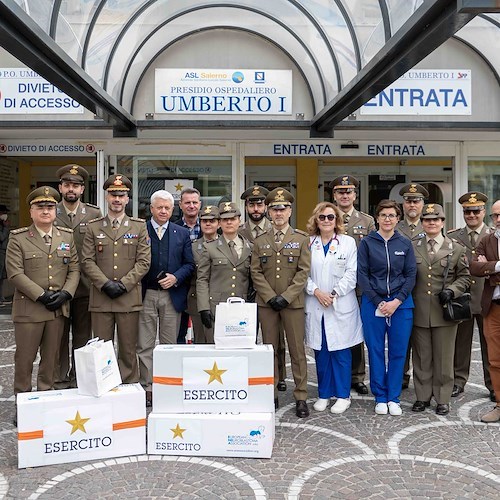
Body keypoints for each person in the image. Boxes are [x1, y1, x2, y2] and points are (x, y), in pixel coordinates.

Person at [6, 186, 79, 399]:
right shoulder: (18, 238)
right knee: (24, 360)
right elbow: (15, 273)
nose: (45, 211)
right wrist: (41, 295)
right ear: (31, 211)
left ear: (55, 211)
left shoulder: (66, 236)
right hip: (30, 310)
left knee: (51, 360)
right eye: (40, 207)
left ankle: (44, 400)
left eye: (49, 207)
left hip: (57, 310)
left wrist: (66, 293)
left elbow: (74, 268)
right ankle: (23, 402)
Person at [81, 174, 150, 384]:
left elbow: (144, 261)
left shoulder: (139, 226)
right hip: (102, 298)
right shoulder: (93, 227)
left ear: (128, 199)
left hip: (128, 298)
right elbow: (87, 260)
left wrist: (123, 284)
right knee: (102, 349)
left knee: (128, 350)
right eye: (113, 195)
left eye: (121, 195)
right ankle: (104, 387)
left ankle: (129, 388)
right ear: (106, 197)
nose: (117, 199)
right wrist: (105, 284)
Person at [251, 187, 311, 417]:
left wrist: (285, 297)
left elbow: (303, 272)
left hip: (292, 304)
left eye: (283, 209)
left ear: (290, 211)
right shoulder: (260, 240)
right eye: (274, 209)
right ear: (268, 211)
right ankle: (271, 392)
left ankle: (301, 396)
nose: (279, 213)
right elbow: (256, 272)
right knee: (270, 350)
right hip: (268, 305)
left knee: (297, 351)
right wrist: (270, 296)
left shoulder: (301, 239)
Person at [357, 200, 416, 416]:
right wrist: (378, 301)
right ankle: (380, 396)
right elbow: (362, 274)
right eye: (383, 215)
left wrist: (397, 301)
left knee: (398, 352)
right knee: (375, 351)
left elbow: (411, 275)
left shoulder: (405, 243)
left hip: (401, 305)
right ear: (377, 218)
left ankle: (394, 397)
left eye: (392, 215)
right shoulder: (367, 243)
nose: (388, 219)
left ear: (398, 218)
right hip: (373, 303)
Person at [411, 203, 470, 416]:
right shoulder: (413, 245)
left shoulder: (456, 248)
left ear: (443, 222)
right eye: (427, 220)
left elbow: (465, 277)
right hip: (419, 311)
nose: (432, 223)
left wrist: (453, 291)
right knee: (422, 357)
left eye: (436, 219)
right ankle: (422, 396)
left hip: (445, 311)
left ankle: (442, 398)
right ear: (422, 222)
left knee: (445, 358)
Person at [305, 202, 363, 414]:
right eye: (322, 217)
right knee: (321, 351)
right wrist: (316, 291)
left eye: (331, 217)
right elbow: (302, 273)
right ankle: (323, 394)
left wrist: (334, 293)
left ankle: (342, 395)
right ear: (316, 220)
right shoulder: (309, 243)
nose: (327, 221)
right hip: (316, 302)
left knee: (340, 351)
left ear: (337, 220)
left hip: (340, 302)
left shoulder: (348, 243)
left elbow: (352, 272)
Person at [138, 190, 194, 406]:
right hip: (146, 294)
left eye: (167, 208)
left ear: (173, 210)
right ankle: (147, 386)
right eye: (159, 207)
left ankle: (167, 383)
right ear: (151, 208)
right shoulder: (140, 230)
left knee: (170, 344)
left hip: (172, 295)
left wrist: (175, 277)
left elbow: (189, 264)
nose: (163, 211)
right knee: (145, 343)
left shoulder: (181, 233)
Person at [53, 164, 102, 389]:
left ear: (82, 189)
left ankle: (79, 378)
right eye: (67, 185)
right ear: (60, 188)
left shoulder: (93, 214)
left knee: (82, 337)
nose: (70, 189)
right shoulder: (51, 210)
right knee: (58, 337)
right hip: (57, 287)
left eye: (75, 185)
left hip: (84, 287)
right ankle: (60, 378)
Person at [239, 185, 287, 392]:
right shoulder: (239, 230)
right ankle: (250, 373)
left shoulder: (275, 228)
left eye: (260, 204)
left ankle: (280, 376)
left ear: (266, 207)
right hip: (244, 291)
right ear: (246, 207)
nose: (256, 208)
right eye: (252, 204)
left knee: (277, 337)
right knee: (246, 335)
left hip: (271, 290)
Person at [330, 175, 375, 396]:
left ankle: (357, 376)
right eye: (340, 192)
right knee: (334, 328)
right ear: (334, 195)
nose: (345, 195)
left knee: (356, 331)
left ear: (355, 195)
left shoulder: (367, 222)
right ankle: (337, 374)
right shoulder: (327, 217)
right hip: (331, 285)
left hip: (358, 286)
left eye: (348, 192)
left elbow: (374, 253)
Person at [448, 191, 494, 401]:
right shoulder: (453, 236)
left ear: (484, 211)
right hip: (463, 298)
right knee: (461, 343)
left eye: (476, 211)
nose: (472, 215)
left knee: (490, 344)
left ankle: (493, 385)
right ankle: (458, 381)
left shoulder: (494, 235)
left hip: (488, 297)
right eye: (468, 211)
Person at [197, 201, 253, 333]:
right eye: (225, 219)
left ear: (239, 221)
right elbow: (202, 280)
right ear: (220, 223)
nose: (229, 222)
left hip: (242, 306)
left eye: (233, 219)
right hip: (217, 307)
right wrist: (204, 307)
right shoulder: (209, 247)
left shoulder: (250, 248)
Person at [469, 199, 500, 422]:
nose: (498, 220)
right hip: (494, 308)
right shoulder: (487, 240)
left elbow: (484, 268)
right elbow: (474, 268)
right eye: (495, 216)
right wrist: (496, 266)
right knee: (495, 360)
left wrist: (489, 267)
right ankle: (499, 404)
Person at [397, 182, 429, 389]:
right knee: (400, 341)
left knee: (422, 343)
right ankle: (400, 378)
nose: (412, 205)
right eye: (408, 201)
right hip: (399, 292)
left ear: (422, 204)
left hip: (423, 293)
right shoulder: (394, 226)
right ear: (403, 204)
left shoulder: (429, 225)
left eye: (416, 201)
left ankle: (423, 381)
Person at [175, 187, 202, 343]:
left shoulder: (211, 226)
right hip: (181, 287)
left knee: (203, 333)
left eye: (194, 202)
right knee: (178, 334)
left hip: (203, 286)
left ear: (200, 204)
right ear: (180, 205)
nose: (191, 206)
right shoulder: (173, 228)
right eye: (187, 202)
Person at [189, 205, 220, 343]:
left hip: (221, 298)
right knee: (200, 341)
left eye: (212, 221)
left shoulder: (226, 245)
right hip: (197, 299)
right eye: (204, 221)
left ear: (219, 223)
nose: (208, 224)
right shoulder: (192, 246)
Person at [0, 204, 11, 305]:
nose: (5, 215)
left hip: (4, 252)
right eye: (4, 213)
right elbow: (1, 238)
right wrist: (6, 228)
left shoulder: (2, 224)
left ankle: (1, 297)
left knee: (2, 276)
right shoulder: (3, 226)